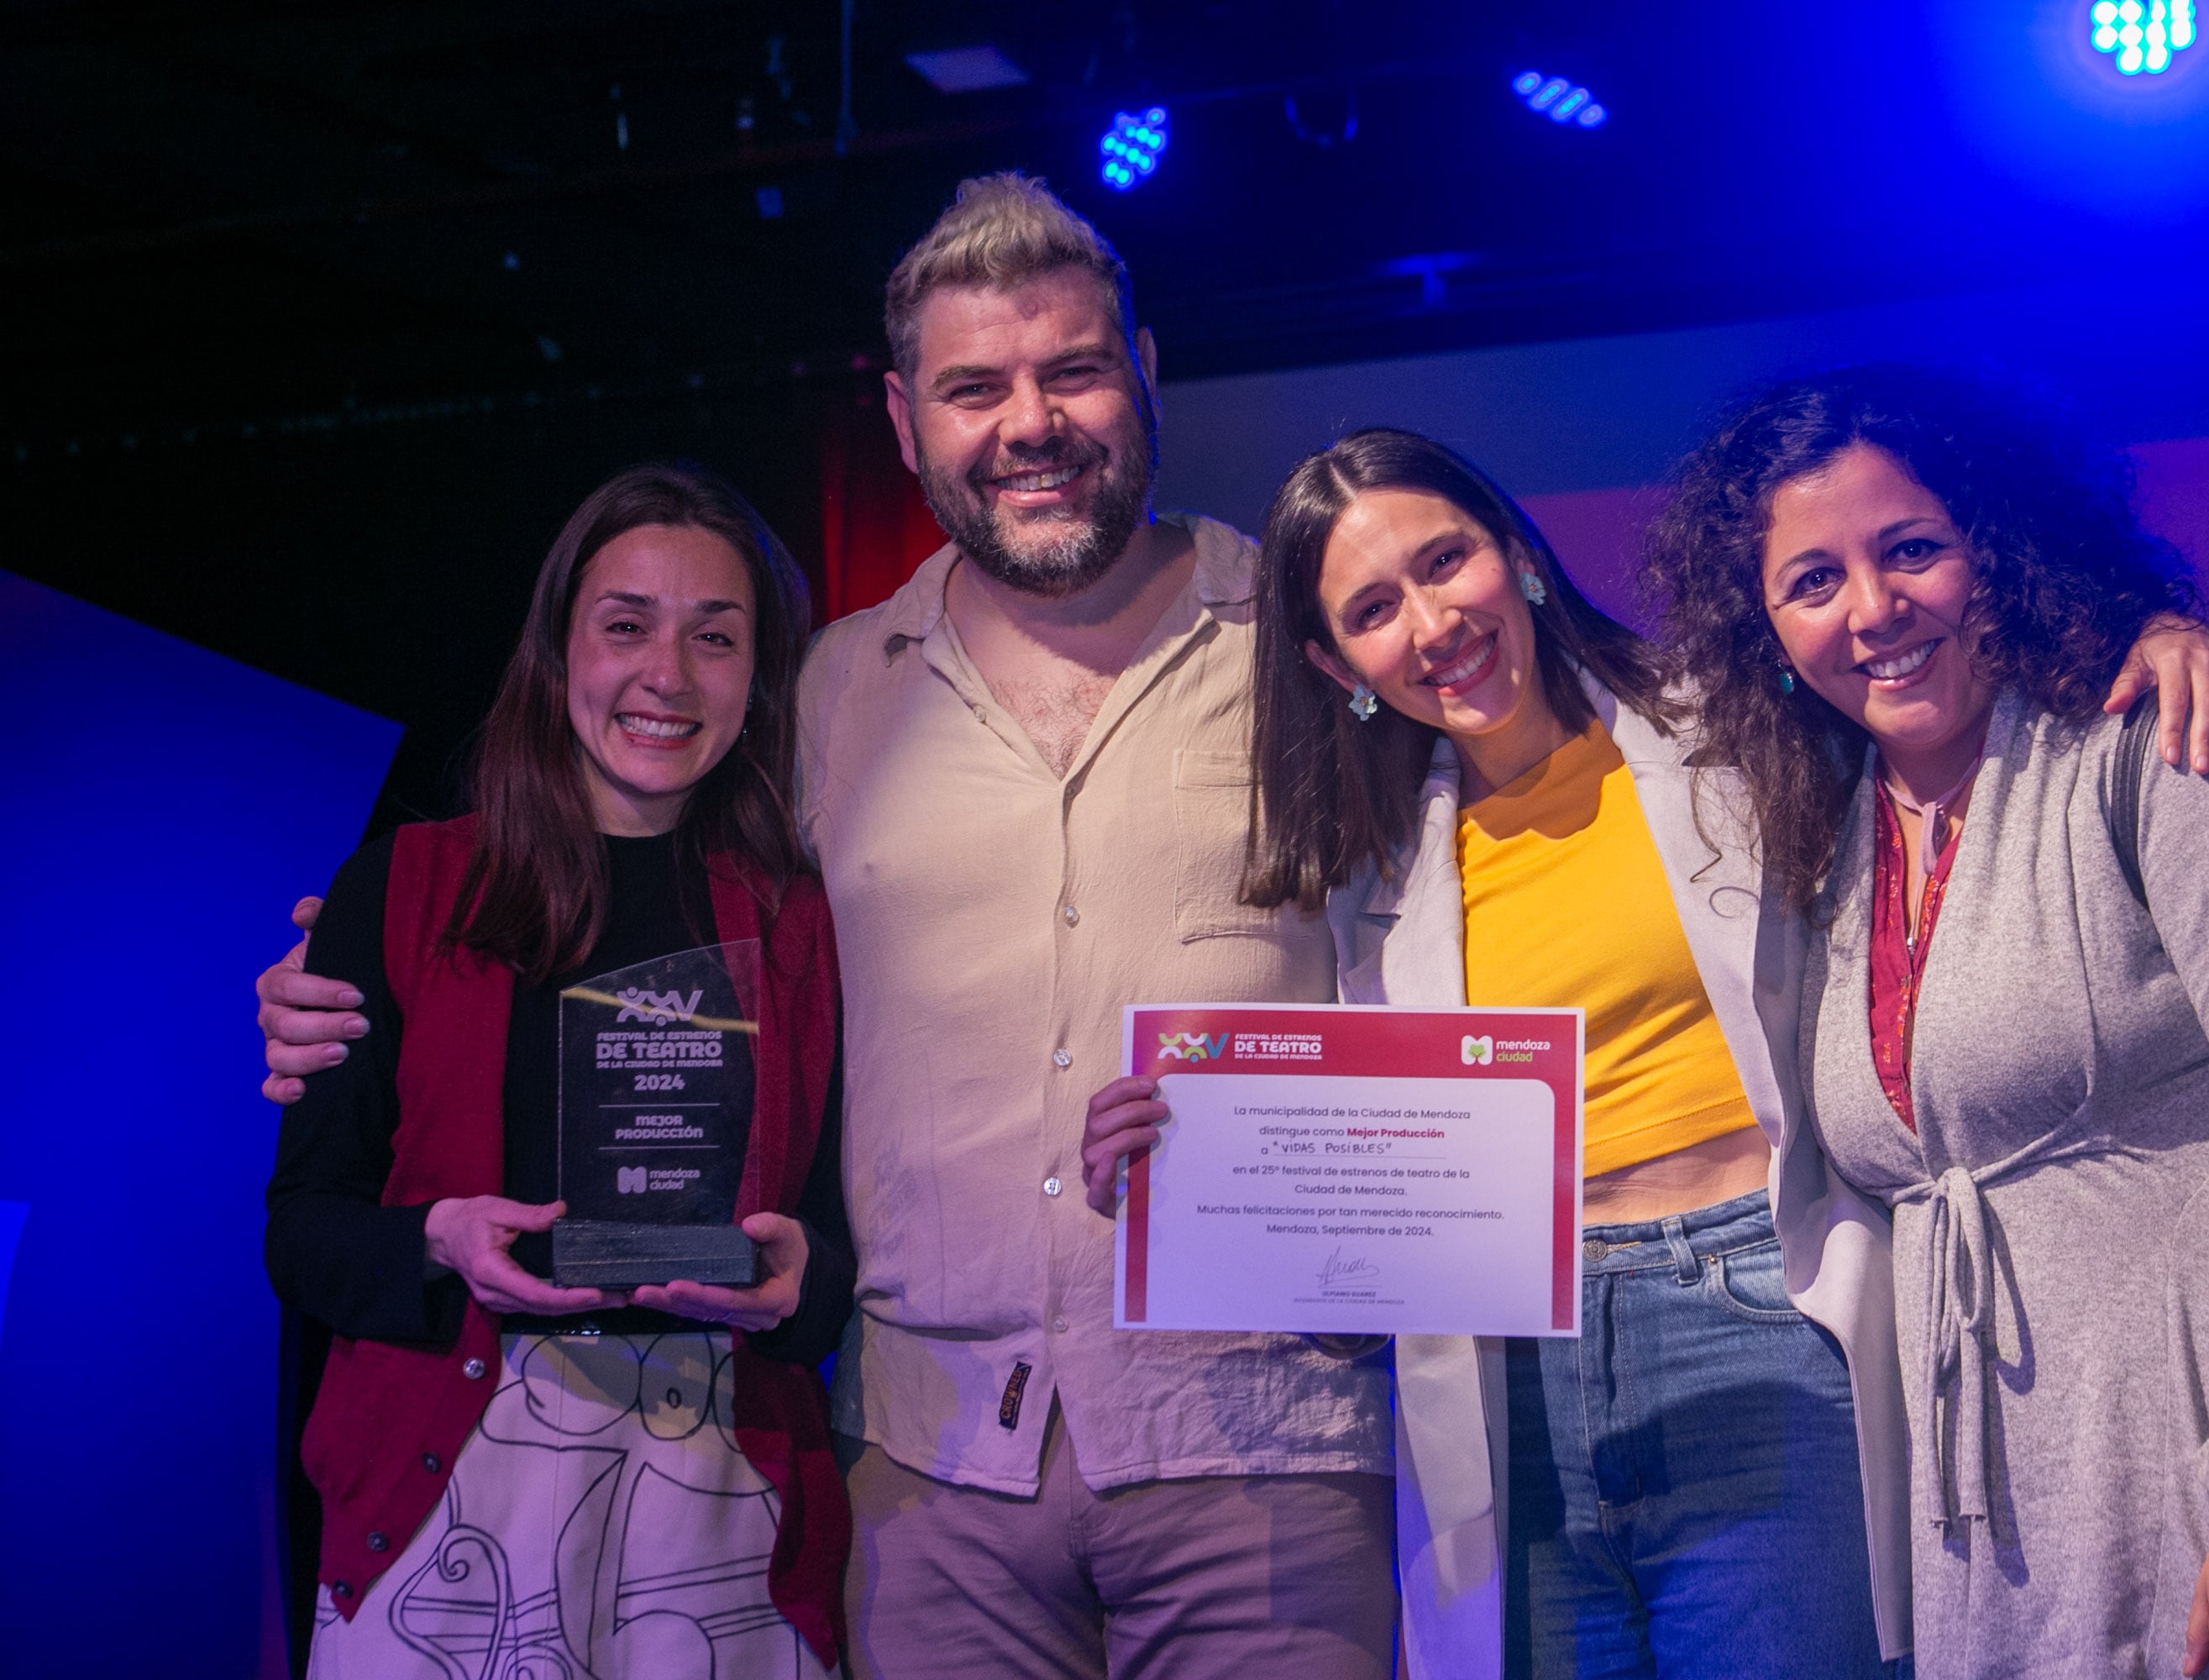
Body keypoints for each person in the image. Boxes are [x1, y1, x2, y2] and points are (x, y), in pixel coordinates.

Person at [265, 175, 1397, 1677]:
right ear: (903, 417)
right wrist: (339, 983)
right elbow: (618, 902)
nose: (1030, 422)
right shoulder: (828, 697)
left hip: (1262, 1440)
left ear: (1145, 372)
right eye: (974, 388)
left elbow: (1453, 940)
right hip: (925, 1470)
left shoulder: (1316, 649)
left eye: (1072, 370)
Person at [1081, 429, 2209, 1679]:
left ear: (1518, 555)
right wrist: (1190, 1183)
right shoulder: (1357, 877)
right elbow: (1358, 1238)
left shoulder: (1738, 726)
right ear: (1336, 664)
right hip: (1516, 1384)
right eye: (1375, 610)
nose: (1433, 623)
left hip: (1756, 1314)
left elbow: (1923, 670)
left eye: (1449, 562)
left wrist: (2147, 633)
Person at [1644, 365, 2209, 1679]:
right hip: (2022, 1533)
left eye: (1913, 550)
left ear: (2000, 545)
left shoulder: (2168, 742)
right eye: (1811, 581)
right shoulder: (1825, 843)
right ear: (1763, 628)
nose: (1873, 611)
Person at [264, 464, 852, 1677]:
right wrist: (438, 1239)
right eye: (626, 626)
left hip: (722, 1501)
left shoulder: (808, 922)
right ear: (558, 648)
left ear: (762, 676)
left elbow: (844, 1241)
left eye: (717, 638)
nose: (668, 677)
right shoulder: (407, 886)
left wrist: (801, 1287)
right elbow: (301, 1234)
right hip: (441, 1480)